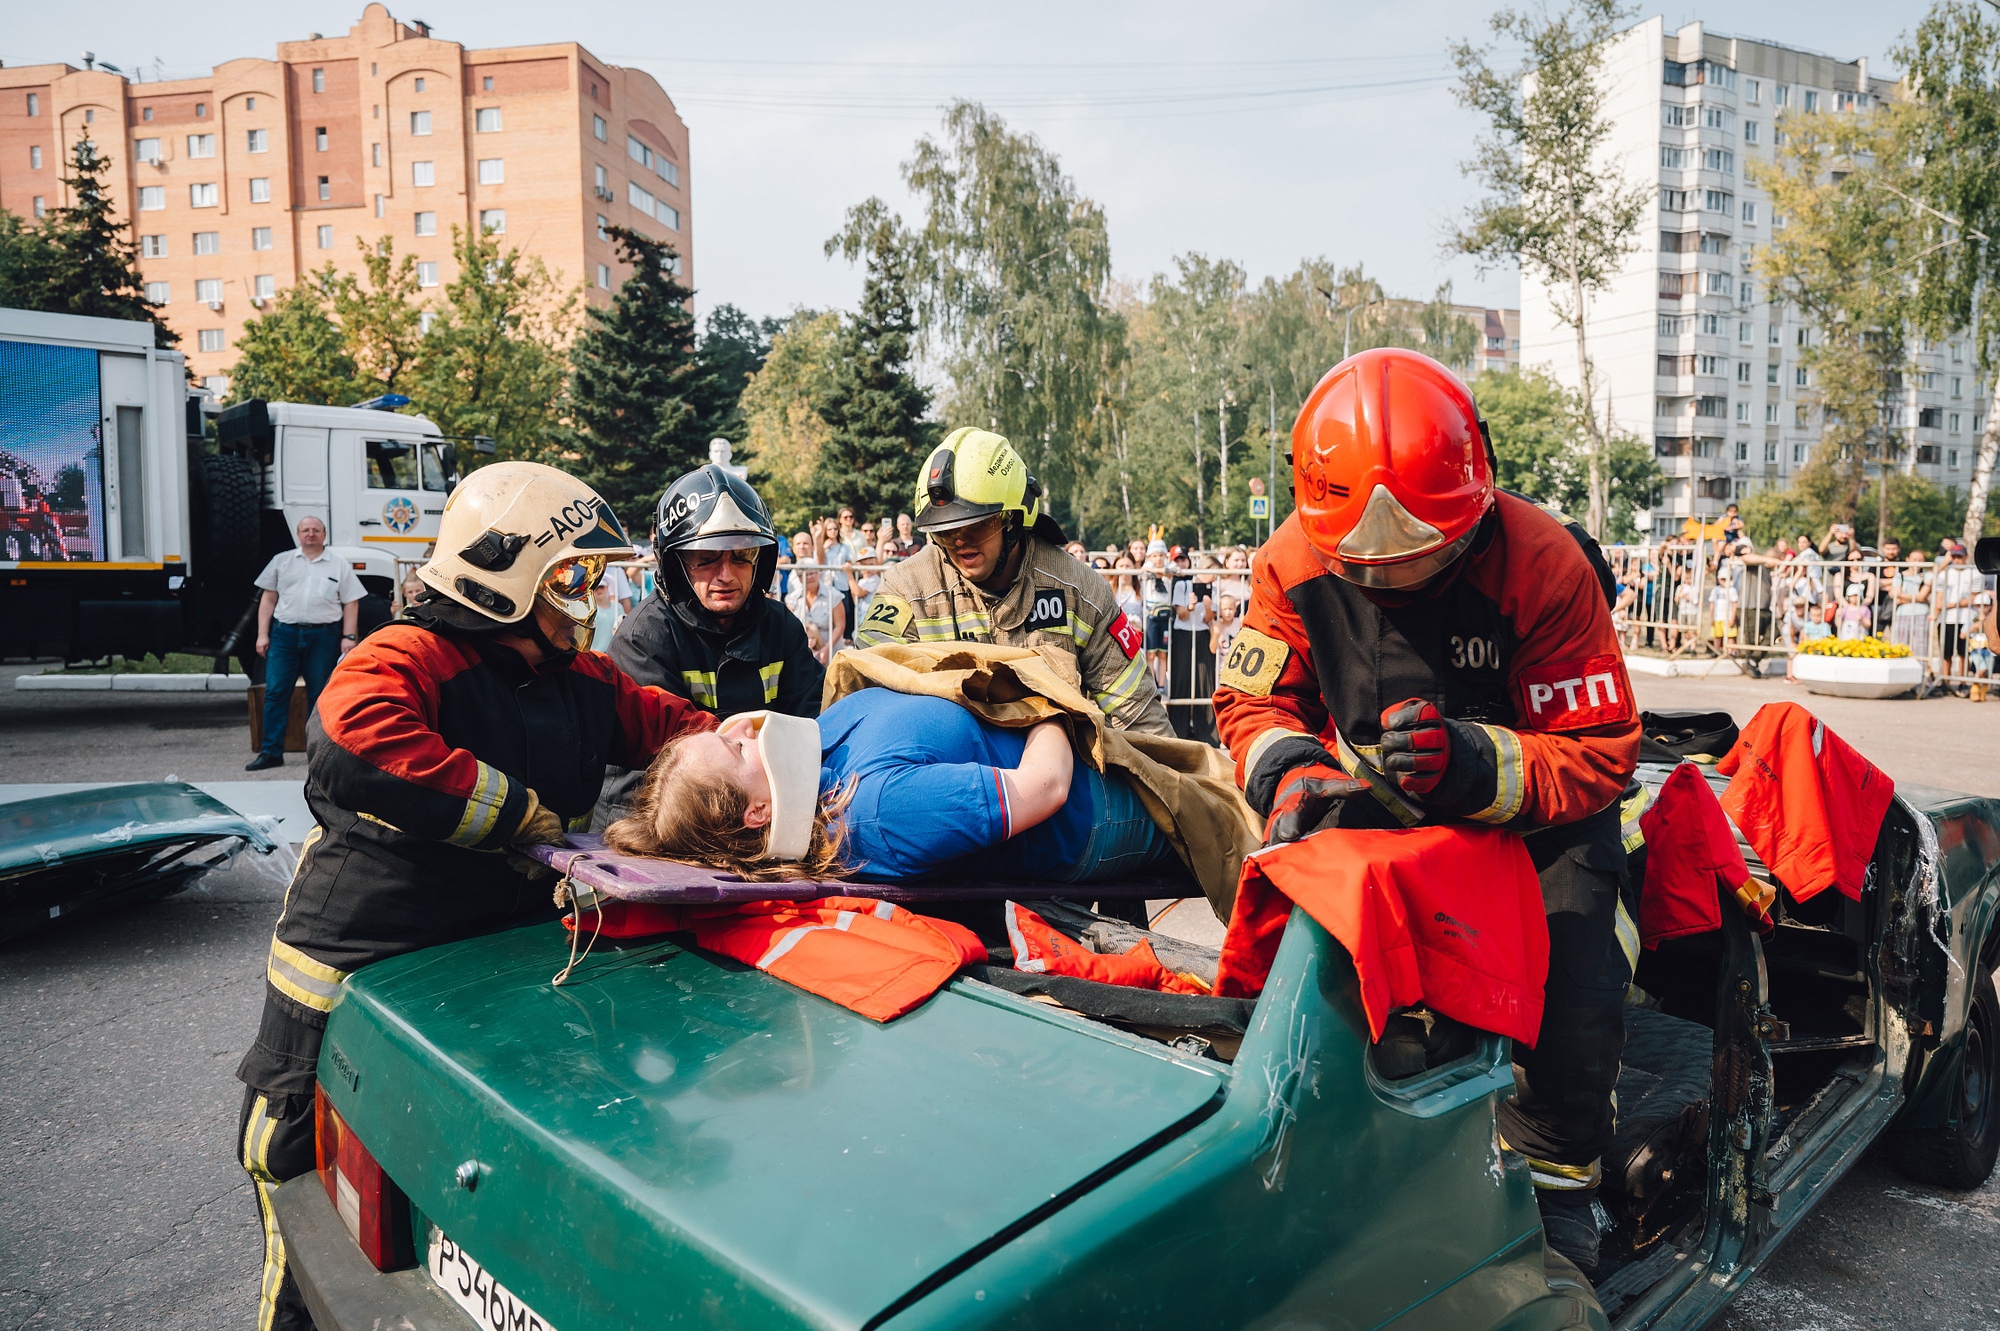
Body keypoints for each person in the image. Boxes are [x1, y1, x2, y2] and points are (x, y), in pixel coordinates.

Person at [236, 462, 715, 1331]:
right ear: (505, 577)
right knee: (315, 1240)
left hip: (478, 991)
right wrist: (513, 814)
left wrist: (746, 746)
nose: (592, 594)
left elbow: (665, 720)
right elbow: (351, 736)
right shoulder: (409, 652)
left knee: (464, 1210)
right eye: (573, 575)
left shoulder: (581, 681)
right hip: (346, 988)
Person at [1212, 347, 1639, 1272]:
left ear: (1476, 500)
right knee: (1301, 958)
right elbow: (1254, 706)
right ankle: (1327, 1146)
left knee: (1571, 988)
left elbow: (1604, 751)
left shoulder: (1545, 562)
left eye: (1422, 561)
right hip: (1384, 800)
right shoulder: (1290, 562)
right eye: (1367, 568)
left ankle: (1562, 1184)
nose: (1393, 583)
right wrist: (1289, 775)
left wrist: (1475, 765)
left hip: (1540, 812)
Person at [605, 693, 1175, 885]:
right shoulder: (878, 814)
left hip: (1092, 755)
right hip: (1101, 806)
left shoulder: (809, 762)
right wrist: (1046, 702)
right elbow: (1044, 787)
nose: (747, 730)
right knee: (1225, 809)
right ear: (758, 812)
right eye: (735, 749)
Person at [853, 428, 1172, 736]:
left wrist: (1179, 784)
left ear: (1014, 519)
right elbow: (862, 699)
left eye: (976, 526)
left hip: (1056, 777)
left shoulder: (1080, 590)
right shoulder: (907, 588)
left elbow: (1141, 720)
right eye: (945, 531)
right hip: (944, 770)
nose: (960, 542)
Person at [595, 465, 824, 827]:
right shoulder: (646, 639)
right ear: (677, 564)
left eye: (741, 555)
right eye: (706, 558)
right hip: (649, 819)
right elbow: (673, 773)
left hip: (755, 815)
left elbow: (814, 725)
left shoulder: (780, 628)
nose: (726, 575)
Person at [246, 515, 365, 772]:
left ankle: (318, 755)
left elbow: (351, 602)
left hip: (323, 636)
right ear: (298, 535)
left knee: (319, 695)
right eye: (305, 530)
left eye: (316, 530)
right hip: (284, 635)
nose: (310, 534)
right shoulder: (282, 561)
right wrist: (262, 634)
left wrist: (349, 637)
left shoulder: (339, 565)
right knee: (276, 693)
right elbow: (268, 599)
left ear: (324, 535)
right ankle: (271, 752)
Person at [787, 553, 845, 663]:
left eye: (812, 573)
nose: (809, 577)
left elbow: (840, 625)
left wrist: (827, 649)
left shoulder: (833, 595)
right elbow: (790, 628)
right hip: (802, 655)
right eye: (804, 575)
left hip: (831, 654)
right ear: (799, 578)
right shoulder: (792, 599)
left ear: (818, 573)